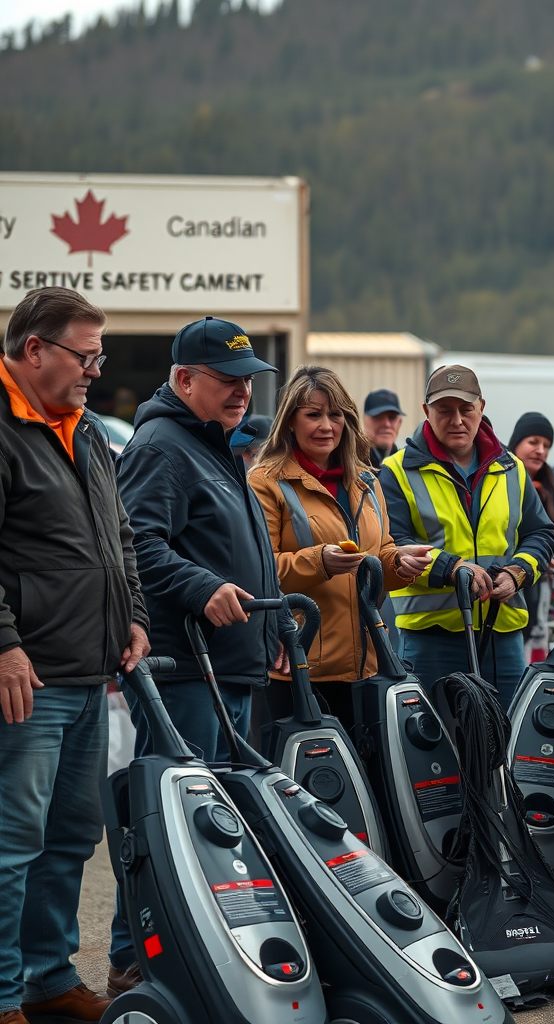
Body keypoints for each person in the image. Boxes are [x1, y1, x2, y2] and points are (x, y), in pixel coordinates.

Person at [109, 316, 292, 993]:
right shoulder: (162, 445)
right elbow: (137, 545)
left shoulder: (211, 443)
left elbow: (242, 549)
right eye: (227, 379)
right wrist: (201, 587)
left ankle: (198, 954)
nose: (243, 391)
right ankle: (135, 959)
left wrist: (274, 633)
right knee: (172, 822)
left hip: (226, 667)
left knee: (210, 827)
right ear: (184, 379)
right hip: (184, 669)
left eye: (248, 380)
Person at [0, 287, 150, 1024]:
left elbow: (120, 536)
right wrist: (4, 646)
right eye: (85, 356)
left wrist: (135, 615)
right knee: (11, 845)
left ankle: (49, 981)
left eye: (99, 356)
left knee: (67, 841)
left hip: (90, 674)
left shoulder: (86, 431)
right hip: (27, 679)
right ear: (34, 350)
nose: (95, 370)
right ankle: (3, 994)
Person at [248, 366, 431, 726]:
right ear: (290, 420)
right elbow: (258, 570)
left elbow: (379, 554)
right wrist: (321, 562)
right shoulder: (264, 482)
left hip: (368, 666)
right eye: (313, 415)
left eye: (335, 415)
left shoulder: (367, 481)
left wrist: (398, 563)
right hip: (297, 666)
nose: (326, 426)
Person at [379, 365, 554, 708]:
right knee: (432, 739)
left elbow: (540, 533)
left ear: (482, 408)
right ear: (426, 411)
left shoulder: (512, 468)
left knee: (503, 735)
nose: (457, 420)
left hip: (502, 636)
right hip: (430, 639)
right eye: (444, 410)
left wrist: (517, 573)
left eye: (466, 409)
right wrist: (452, 568)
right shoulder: (396, 471)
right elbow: (392, 543)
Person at [508, 412, 554, 657]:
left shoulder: (551, 486)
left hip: (548, 590)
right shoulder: (502, 481)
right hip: (514, 584)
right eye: (533, 442)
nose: (540, 451)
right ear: (516, 443)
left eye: (546, 445)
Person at [363, 388, 404, 470]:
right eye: (378, 417)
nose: (386, 424)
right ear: (365, 421)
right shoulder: (351, 463)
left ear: (399, 423)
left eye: (392, 417)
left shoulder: (407, 463)